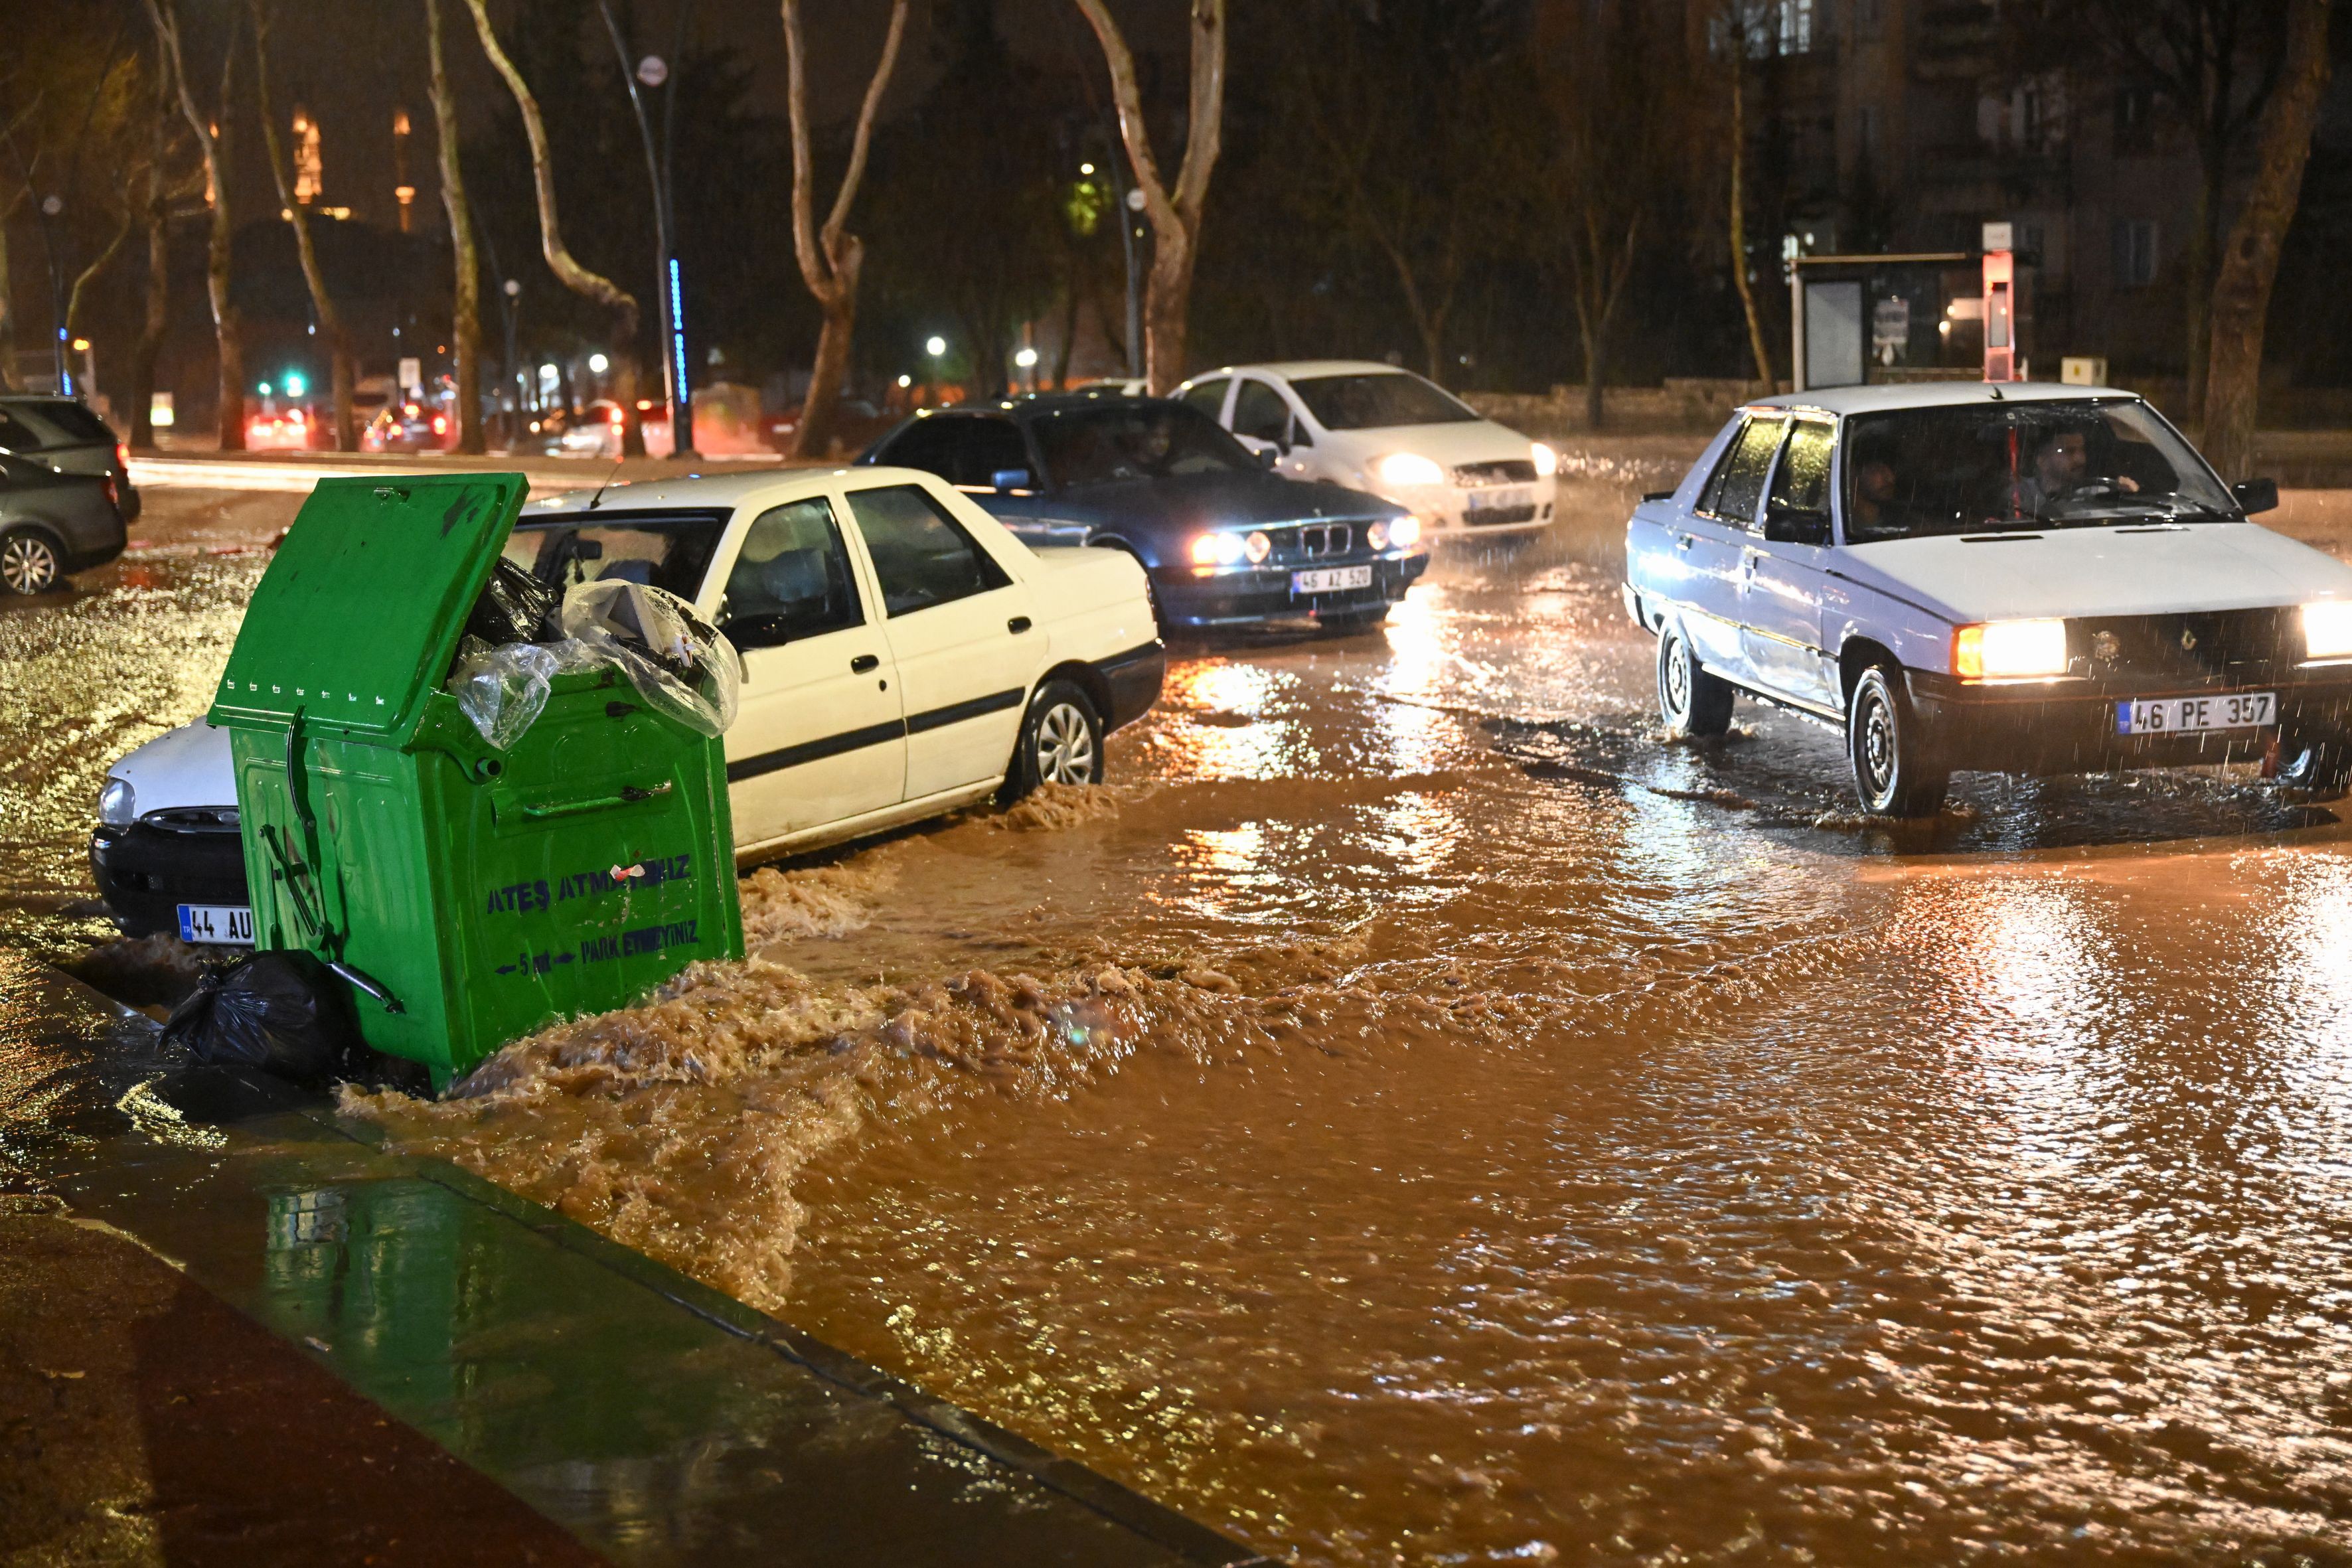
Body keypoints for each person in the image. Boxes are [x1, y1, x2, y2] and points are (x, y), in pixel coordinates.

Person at [2015, 427, 2136, 518]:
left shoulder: (2096, 489)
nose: (2081, 459)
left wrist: (2127, 493)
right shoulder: (2021, 496)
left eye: (2082, 449)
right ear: (2042, 460)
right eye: (2068, 451)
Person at [1849, 457, 1899, 534]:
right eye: (1879, 469)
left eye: (1893, 470)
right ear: (1853, 473)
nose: (1891, 479)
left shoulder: (1903, 522)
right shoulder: (1842, 527)